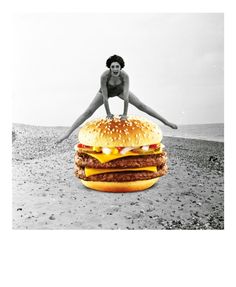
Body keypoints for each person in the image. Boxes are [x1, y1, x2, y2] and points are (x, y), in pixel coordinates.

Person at [57, 55, 177, 143]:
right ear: (110, 67)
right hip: (106, 91)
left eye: (117, 66)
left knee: (141, 105)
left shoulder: (125, 76)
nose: (115, 69)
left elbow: (126, 97)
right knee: (88, 111)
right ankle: (67, 133)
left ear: (121, 67)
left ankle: (166, 122)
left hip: (119, 90)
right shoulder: (104, 76)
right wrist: (108, 113)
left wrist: (125, 114)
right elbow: (105, 98)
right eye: (113, 66)